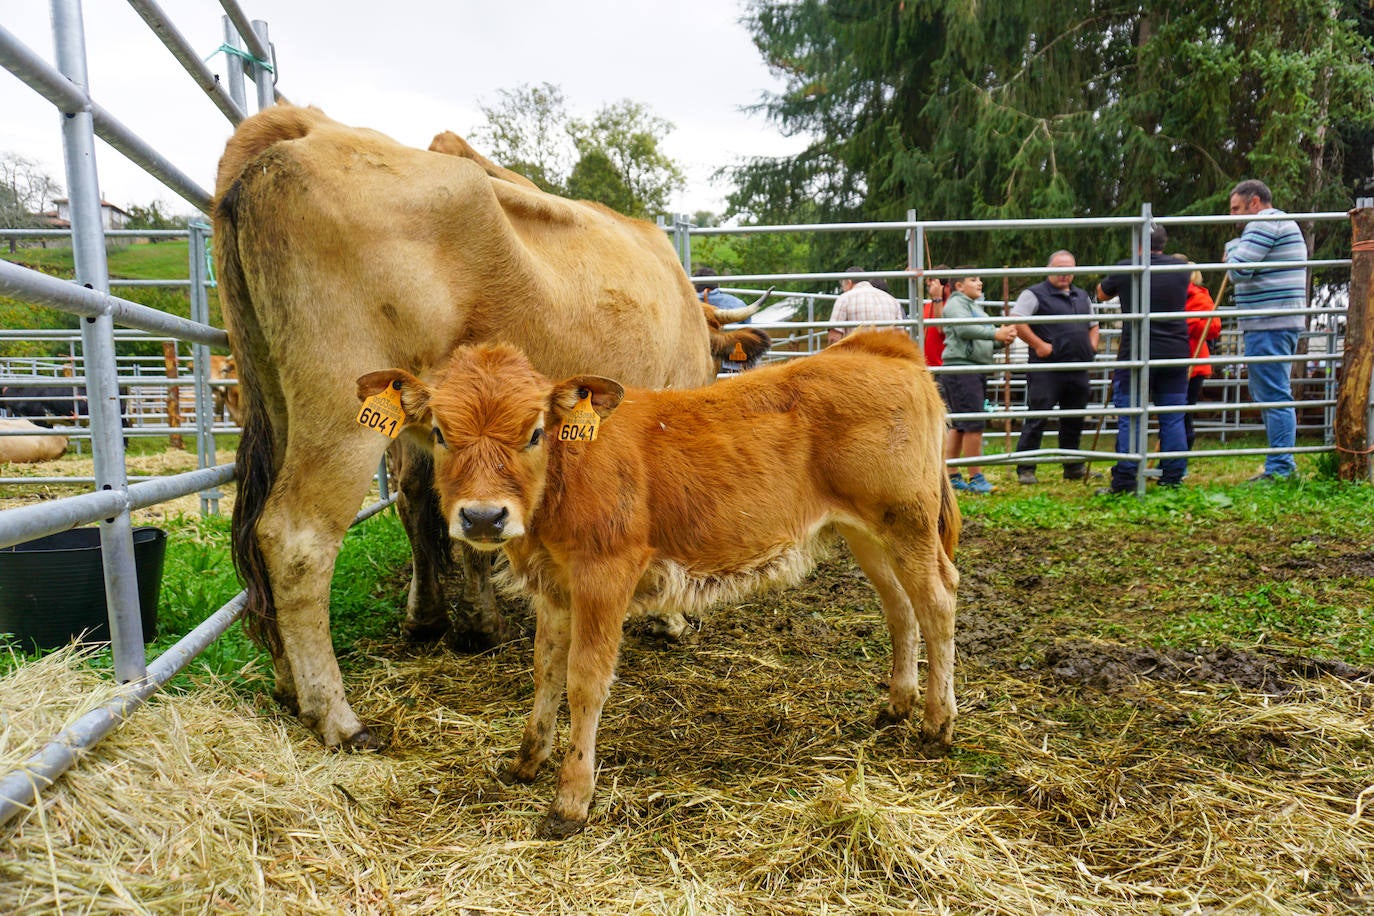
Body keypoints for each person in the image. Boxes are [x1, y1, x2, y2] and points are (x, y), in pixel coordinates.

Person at [1096, 225, 1190, 494]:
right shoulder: (1180, 269)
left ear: (1137, 242)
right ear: (1164, 242)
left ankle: (1126, 479)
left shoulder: (1128, 267)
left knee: (1131, 415)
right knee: (1172, 416)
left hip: (1135, 351)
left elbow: (1101, 293)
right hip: (1174, 351)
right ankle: (1173, 476)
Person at [1224, 179, 1307, 482]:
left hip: (1269, 321)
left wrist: (1231, 249)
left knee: (1273, 393)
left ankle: (1281, 468)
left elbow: (1238, 270)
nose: (1232, 216)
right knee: (1271, 391)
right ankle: (1281, 464)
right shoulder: (1279, 222)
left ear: (1255, 202)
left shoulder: (1263, 223)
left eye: (1236, 208)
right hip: (1275, 320)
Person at [1010, 250, 1100, 484]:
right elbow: (1017, 320)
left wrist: (1092, 346)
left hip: (1078, 366)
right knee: (1038, 416)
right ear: (1049, 268)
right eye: (1059, 269)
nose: (1064, 274)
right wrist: (1039, 345)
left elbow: (1094, 324)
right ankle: (1026, 468)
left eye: (1069, 270)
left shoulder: (1081, 295)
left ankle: (1073, 467)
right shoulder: (1033, 294)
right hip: (1047, 369)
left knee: (1074, 418)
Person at [941, 270, 1017, 494]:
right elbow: (965, 329)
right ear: (959, 286)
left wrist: (1002, 340)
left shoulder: (974, 307)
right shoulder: (956, 305)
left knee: (960, 424)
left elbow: (981, 337)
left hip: (972, 368)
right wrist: (995, 334)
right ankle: (976, 477)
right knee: (973, 423)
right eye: (973, 279)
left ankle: (951, 474)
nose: (979, 283)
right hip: (963, 369)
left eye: (980, 279)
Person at [1179, 260, 1222, 450]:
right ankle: (1176, 456)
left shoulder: (1199, 297)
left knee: (1182, 412)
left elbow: (1213, 327)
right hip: (1183, 359)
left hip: (1193, 361)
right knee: (1181, 412)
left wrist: (1188, 323)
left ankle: (1178, 456)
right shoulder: (1175, 295)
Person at [827, 266, 904, 345]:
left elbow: (834, 338)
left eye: (842, 286)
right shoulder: (892, 300)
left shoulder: (844, 299)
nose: (843, 289)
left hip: (856, 351)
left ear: (849, 282)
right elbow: (901, 336)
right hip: (885, 351)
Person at [921, 266, 951, 369]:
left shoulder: (951, 305)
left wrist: (937, 298)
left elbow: (941, 329)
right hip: (927, 367)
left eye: (932, 281)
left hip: (943, 367)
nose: (929, 284)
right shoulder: (928, 305)